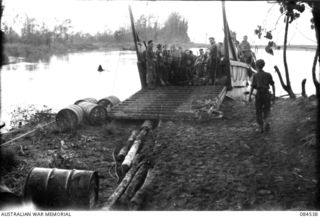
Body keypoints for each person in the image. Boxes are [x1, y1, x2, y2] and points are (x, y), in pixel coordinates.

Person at [249, 59, 275, 133]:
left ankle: (261, 128)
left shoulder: (255, 76)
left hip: (259, 95)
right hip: (267, 94)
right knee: (267, 109)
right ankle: (266, 122)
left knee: (258, 110)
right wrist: (274, 95)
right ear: (263, 66)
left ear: (257, 66)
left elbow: (252, 87)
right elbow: (273, 85)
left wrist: (250, 96)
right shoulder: (268, 74)